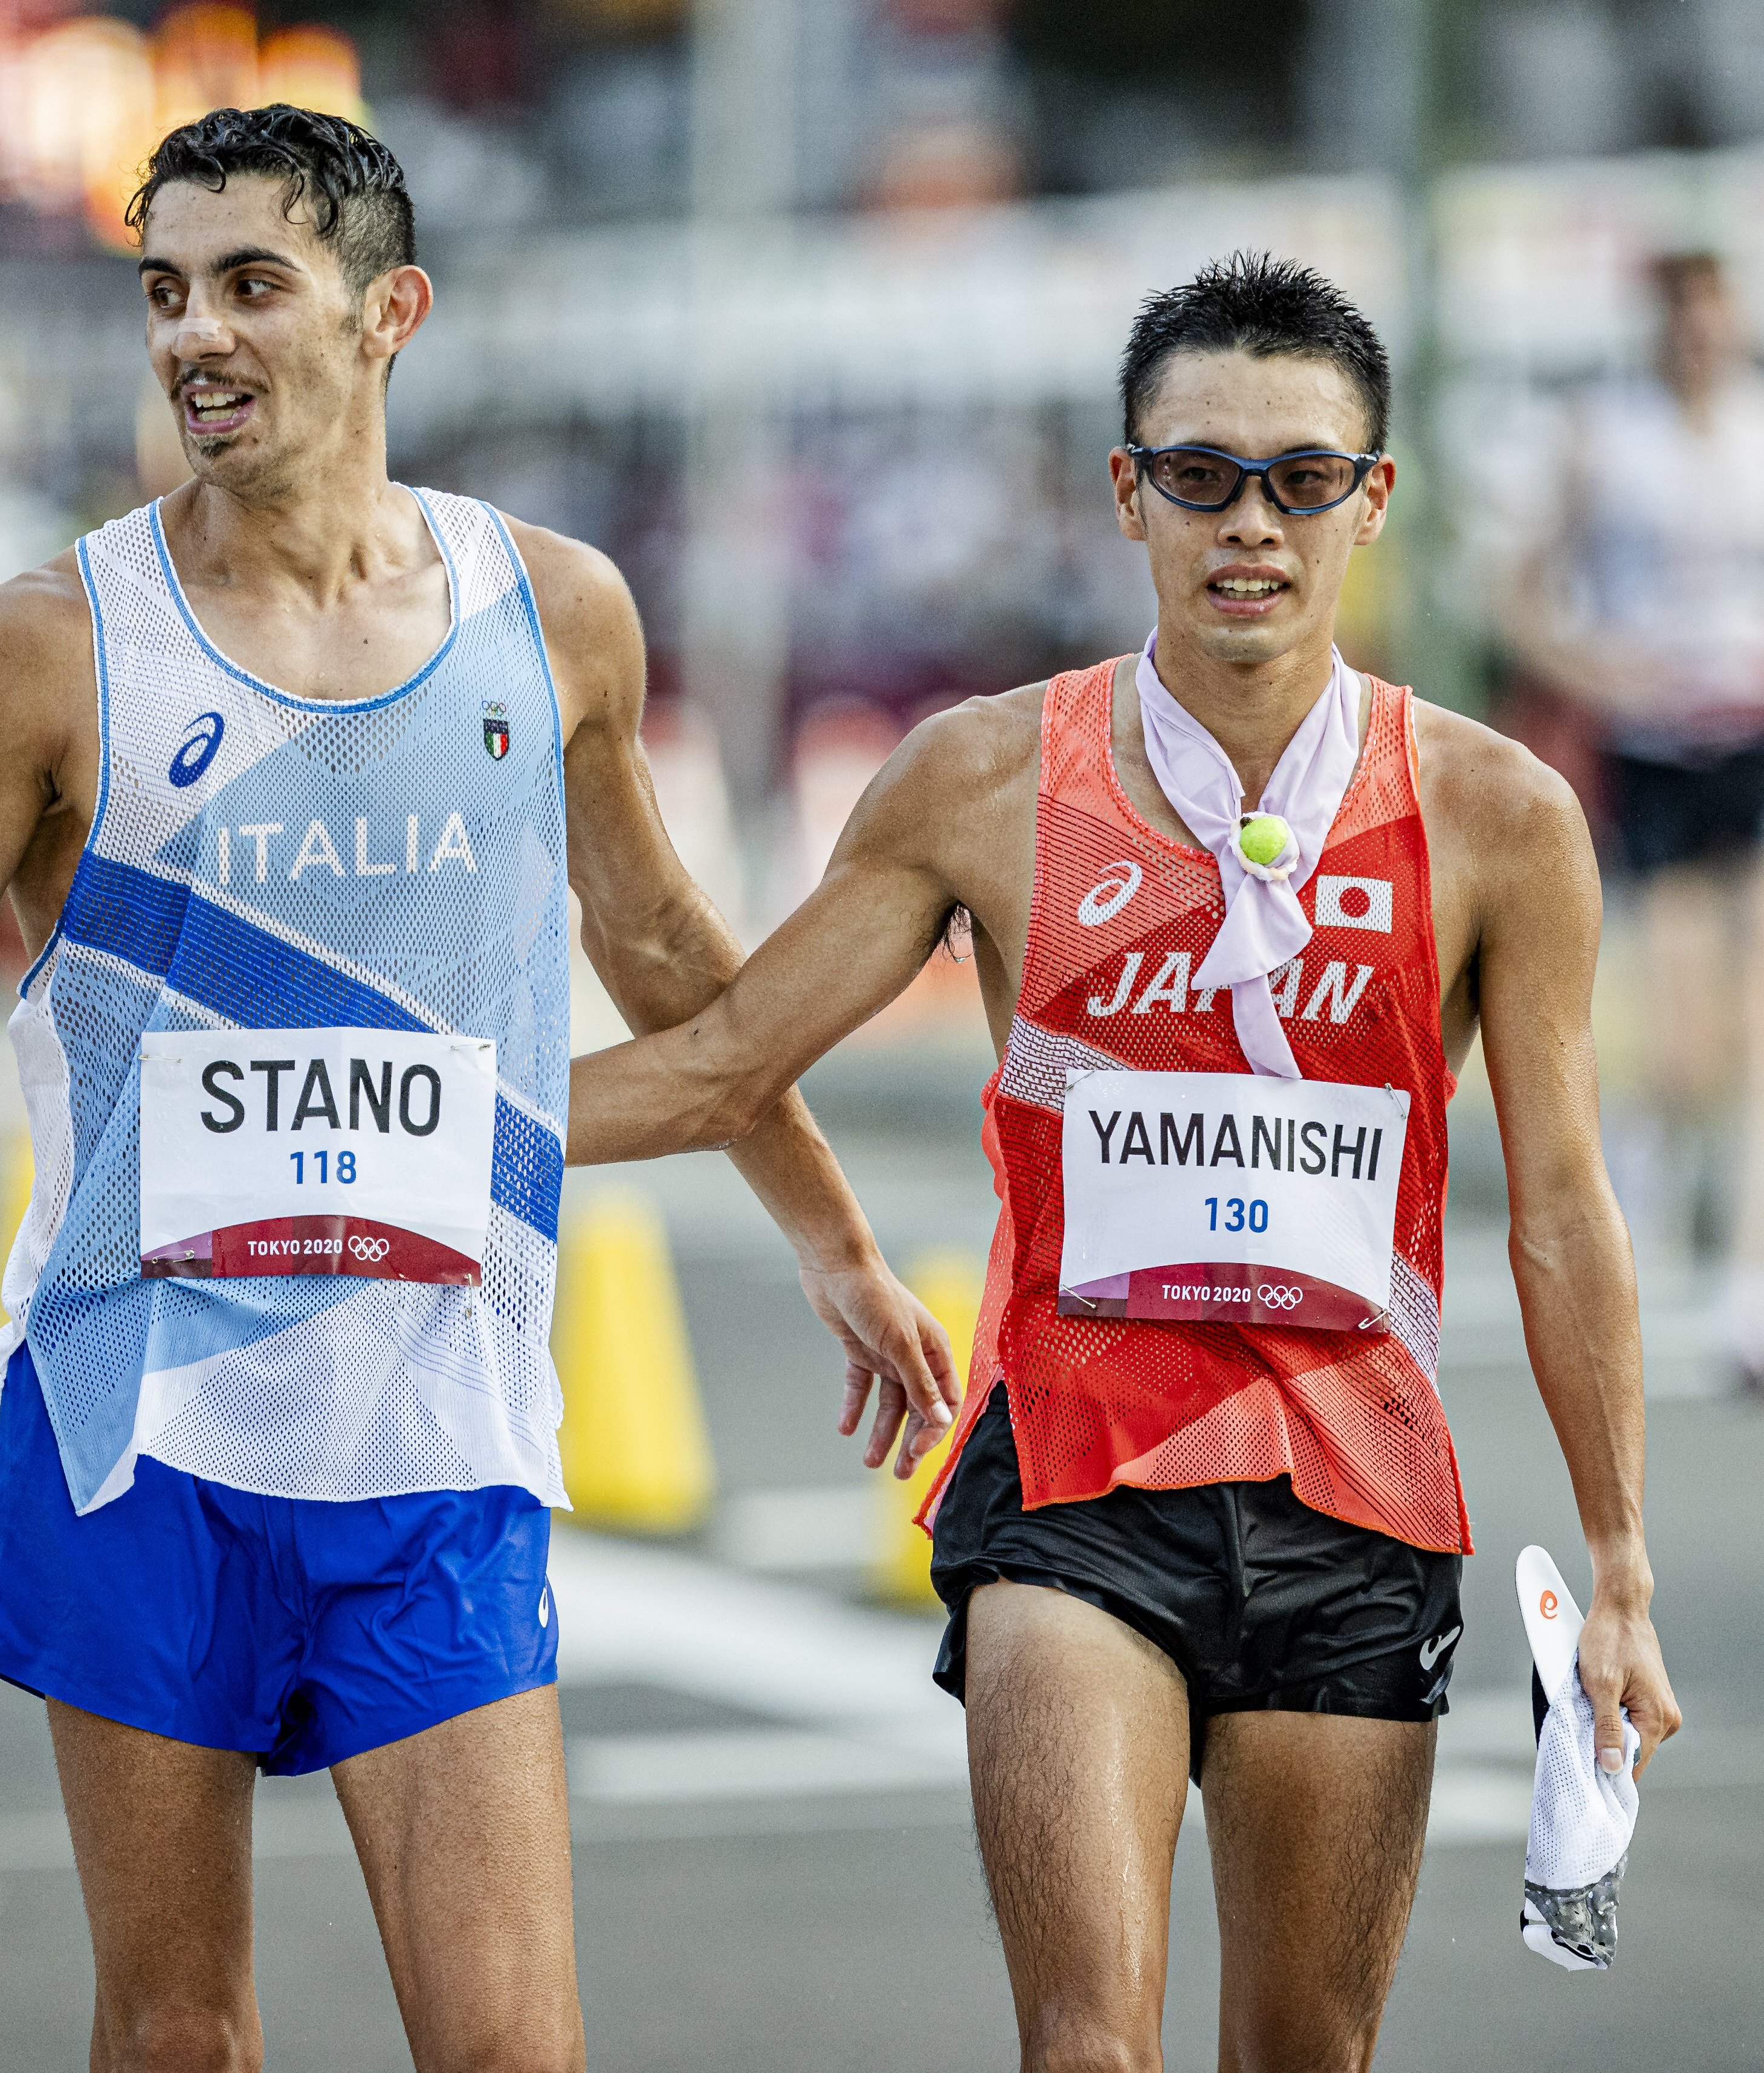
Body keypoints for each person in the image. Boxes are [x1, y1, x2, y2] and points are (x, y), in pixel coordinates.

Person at [0, 105, 955, 2073]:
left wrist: (835, 1242)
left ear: (390, 312)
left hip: (441, 1438)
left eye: (253, 284)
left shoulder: (551, 612)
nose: (194, 336)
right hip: (134, 1429)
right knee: (179, 2041)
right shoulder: (40, 650)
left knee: (512, 2049)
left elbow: (672, 961)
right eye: (164, 292)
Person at [571, 252, 1683, 2070]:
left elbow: (1559, 1207)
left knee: (1298, 2053)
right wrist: (430, 1134)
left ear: (1368, 498)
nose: (1248, 522)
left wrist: (1620, 1559)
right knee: (1086, 2045)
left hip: (1358, 1497)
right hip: (1074, 1478)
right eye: (1197, 474)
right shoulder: (983, 775)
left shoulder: (1494, 814)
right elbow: (722, 1059)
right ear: (1124, 488)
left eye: (1299, 478)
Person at [1507, 250, 1764, 1376]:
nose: (1701, 339)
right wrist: (1597, 672)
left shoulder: (1755, 428)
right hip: (1655, 744)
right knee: (1680, 1024)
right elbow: (1520, 590)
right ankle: (1650, 1181)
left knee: (1753, 1022)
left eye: (1716, 318)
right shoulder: (1603, 436)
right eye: (1683, 320)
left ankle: (1745, 1274)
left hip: (1747, 729)